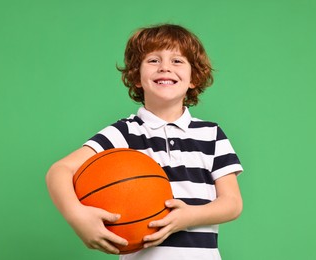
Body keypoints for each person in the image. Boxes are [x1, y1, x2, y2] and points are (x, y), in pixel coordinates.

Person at [46, 23, 243, 260]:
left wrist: (187, 217)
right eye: (153, 60)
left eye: (177, 61)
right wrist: (77, 216)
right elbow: (59, 170)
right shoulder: (124, 133)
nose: (165, 68)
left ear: (194, 78)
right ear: (137, 77)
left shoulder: (211, 134)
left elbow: (232, 203)